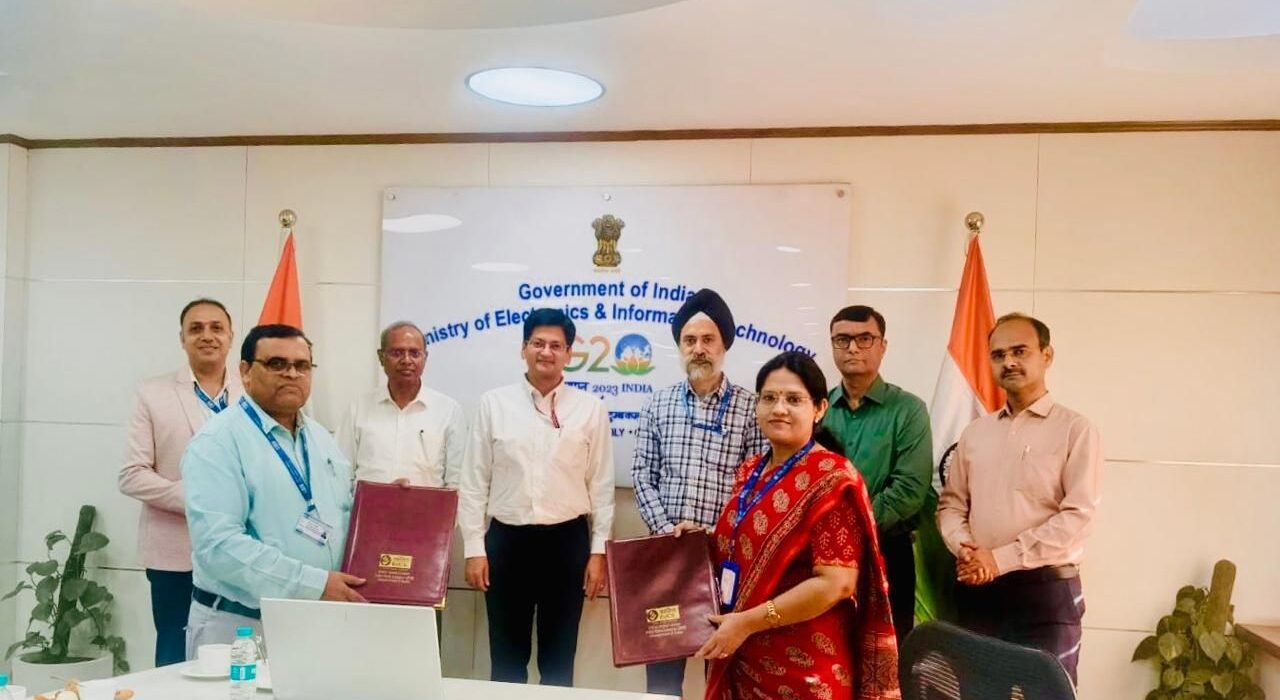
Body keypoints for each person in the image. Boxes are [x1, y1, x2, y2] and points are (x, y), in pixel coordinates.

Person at [676, 351, 899, 700]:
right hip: (742, 655)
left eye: (793, 399)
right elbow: (748, 544)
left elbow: (836, 583)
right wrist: (703, 538)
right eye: (769, 398)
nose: (779, 409)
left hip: (804, 670)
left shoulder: (832, 480)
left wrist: (748, 622)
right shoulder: (750, 470)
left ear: (820, 408)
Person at [937, 313, 1102, 684]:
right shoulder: (975, 433)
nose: (1008, 362)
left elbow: (1077, 516)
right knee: (978, 692)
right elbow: (951, 505)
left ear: (1047, 355)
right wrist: (966, 549)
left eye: (1019, 351)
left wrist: (1000, 559)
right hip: (979, 590)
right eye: (998, 355)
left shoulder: (1076, 430)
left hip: (1045, 594)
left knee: (1047, 693)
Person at [182, 324, 366, 656]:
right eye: (277, 364)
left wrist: (391, 509)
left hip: (316, 621)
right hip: (241, 628)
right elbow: (219, 547)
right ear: (245, 371)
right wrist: (314, 584)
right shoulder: (218, 442)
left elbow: (344, 516)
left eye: (302, 365)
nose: (291, 374)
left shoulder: (320, 438)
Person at [459, 308, 615, 687]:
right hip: (507, 543)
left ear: (569, 353)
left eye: (556, 345)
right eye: (538, 343)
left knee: (558, 662)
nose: (546, 352)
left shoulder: (590, 409)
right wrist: (474, 548)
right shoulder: (493, 404)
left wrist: (598, 553)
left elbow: (602, 487)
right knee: (506, 661)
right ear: (523, 348)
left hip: (566, 544)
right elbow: (474, 481)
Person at [632, 288, 767, 697]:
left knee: (722, 670)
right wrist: (670, 530)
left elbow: (755, 486)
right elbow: (642, 475)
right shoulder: (658, 405)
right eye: (689, 340)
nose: (699, 349)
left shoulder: (752, 408)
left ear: (724, 345)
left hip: (727, 559)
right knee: (662, 675)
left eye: (708, 339)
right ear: (679, 347)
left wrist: (713, 533)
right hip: (668, 555)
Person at [120, 298, 242, 667]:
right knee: (174, 654)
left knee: (237, 653)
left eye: (216, 328)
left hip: (240, 549)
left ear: (231, 336)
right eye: (196, 328)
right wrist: (196, 500)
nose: (207, 336)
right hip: (174, 551)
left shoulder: (252, 392)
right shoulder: (152, 393)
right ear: (182, 338)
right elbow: (132, 475)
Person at [823, 305, 932, 644]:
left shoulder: (909, 410)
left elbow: (909, 490)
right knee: (828, 651)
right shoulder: (817, 409)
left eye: (864, 339)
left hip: (887, 552)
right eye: (842, 339)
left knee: (887, 655)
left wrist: (851, 528)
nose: (853, 348)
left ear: (883, 346)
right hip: (823, 558)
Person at [337, 321, 465, 488]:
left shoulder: (448, 411)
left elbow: (457, 480)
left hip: (427, 505)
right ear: (381, 357)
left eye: (415, 353)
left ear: (425, 358)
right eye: (397, 353)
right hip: (369, 505)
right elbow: (340, 474)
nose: (406, 360)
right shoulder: (358, 409)